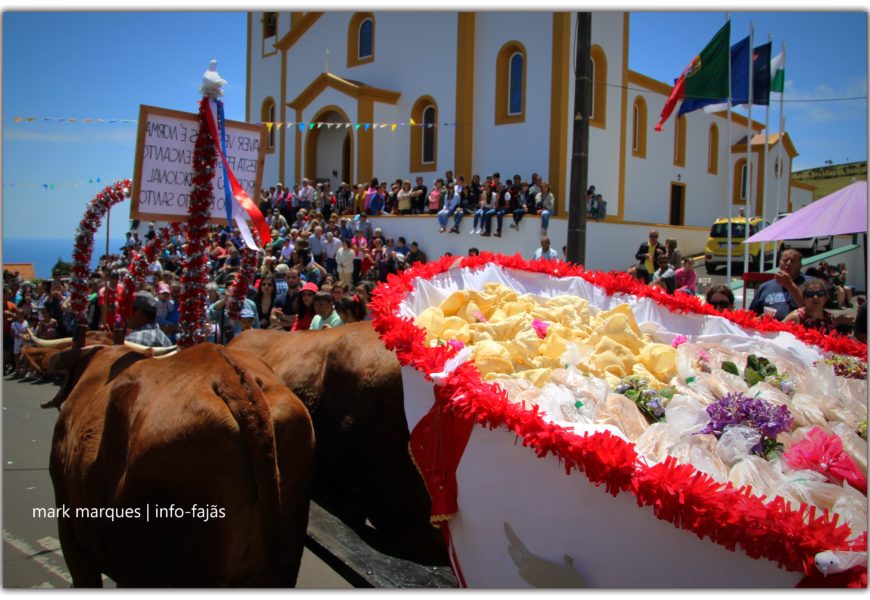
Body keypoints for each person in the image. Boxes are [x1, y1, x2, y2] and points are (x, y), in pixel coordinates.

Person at [749, 248, 807, 321]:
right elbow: (751, 315)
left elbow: (810, 311)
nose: (788, 263)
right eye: (785, 260)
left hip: (797, 330)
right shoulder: (765, 287)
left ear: (800, 266)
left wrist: (790, 285)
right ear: (779, 262)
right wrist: (758, 319)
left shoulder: (809, 284)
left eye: (793, 261)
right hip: (770, 329)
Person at [783, 280, 852, 334]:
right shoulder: (796, 317)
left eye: (820, 294)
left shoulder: (829, 317)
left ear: (826, 298)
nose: (815, 297)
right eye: (810, 294)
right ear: (804, 299)